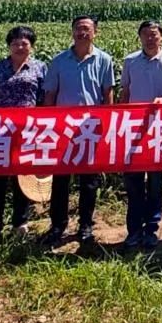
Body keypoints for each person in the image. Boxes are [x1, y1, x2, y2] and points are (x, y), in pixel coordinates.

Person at [42, 15, 115, 245]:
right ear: (72, 32)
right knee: (61, 180)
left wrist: (107, 122)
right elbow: (50, 94)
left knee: (89, 180)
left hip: (90, 128)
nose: (82, 33)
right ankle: (58, 225)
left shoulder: (104, 60)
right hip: (63, 128)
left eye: (87, 29)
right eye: (78, 28)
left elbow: (107, 93)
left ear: (95, 33)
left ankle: (85, 225)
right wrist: (48, 123)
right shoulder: (58, 61)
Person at [119, 20, 162, 249]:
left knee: (156, 182)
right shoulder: (130, 61)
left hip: (159, 129)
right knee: (133, 181)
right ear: (139, 37)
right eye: (145, 34)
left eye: (154, 34)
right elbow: (125, 92)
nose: (150, 38)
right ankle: (134, 230)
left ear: (161, 37)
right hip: (133, 128)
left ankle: (152, 228)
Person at [0, 25, 47, 243]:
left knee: (23, 178)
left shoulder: (39, 68)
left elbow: (43, 100)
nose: (19, 47)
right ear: (9, 46)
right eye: (15, 43)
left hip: (28, 132)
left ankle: (20, 223)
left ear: (32, 46)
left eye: (24, 43)